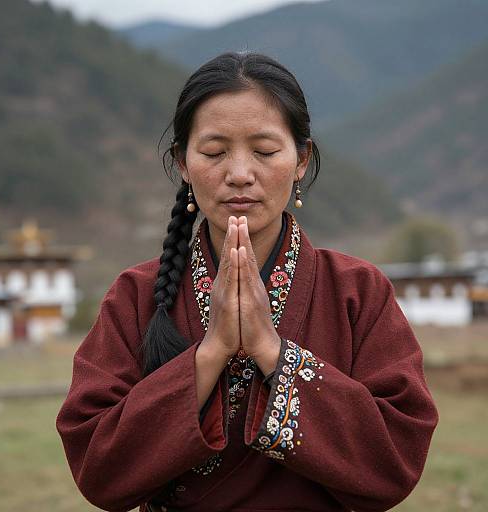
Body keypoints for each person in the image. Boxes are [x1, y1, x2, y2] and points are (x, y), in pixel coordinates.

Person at [55, 51, 439, 512]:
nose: (239, 174)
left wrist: (272, 352)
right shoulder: (135, 295)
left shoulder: (358, 291)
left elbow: (394, 463)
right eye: (214, 152)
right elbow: (98, 470)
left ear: (301, 159)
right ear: (182, 162)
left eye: (265, 151)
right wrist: (211, 353)